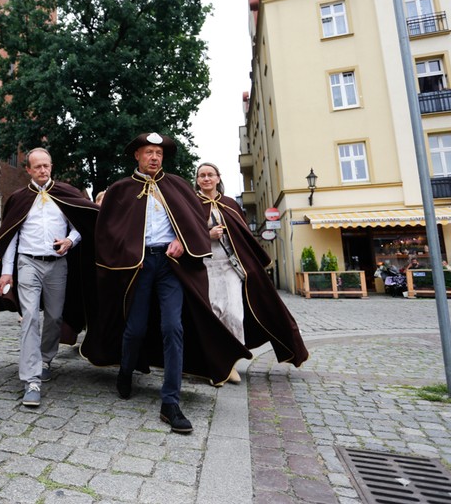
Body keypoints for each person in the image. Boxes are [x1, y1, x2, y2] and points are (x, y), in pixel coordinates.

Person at [81, 133, 250, 434]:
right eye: (148, 152)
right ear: (137, 156)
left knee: (174, 327)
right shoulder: (121, 190)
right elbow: (107, 233)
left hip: (170, 266)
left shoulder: (178, 187)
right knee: (135, 329)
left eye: (158, 152)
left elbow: (195, 223)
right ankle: (125, 370)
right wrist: (133, 253)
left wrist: (181, 241)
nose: (154, 158)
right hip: (139, 267)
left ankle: (170, 402)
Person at [0, 148, 99, 407]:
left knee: (55, 317)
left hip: (58, 265)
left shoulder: (66, 194)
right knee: (30, 318)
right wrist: (6, 272)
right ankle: (31, 379)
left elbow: (81, 226)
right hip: (27, 263)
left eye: (46, 166)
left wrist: (70, 240)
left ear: (51, 166)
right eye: (37, 167)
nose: (43, 171)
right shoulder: (20, 198)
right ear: (29, 170)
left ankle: (45, 357)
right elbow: (11, 236)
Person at [195, 162, 308, 384]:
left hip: (230, 267)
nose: (206, 179)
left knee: (234, 314)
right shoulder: (191, 205)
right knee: (212, 315)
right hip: (205, 267)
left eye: (210, 175)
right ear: (197, 180)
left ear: (218, 178)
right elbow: (185, 234)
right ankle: (216, 365)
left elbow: (244, 236)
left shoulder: (229, 204)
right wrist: (207, 235)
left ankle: (231, 361)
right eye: (201, 176)